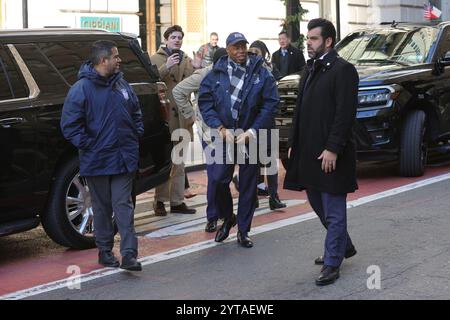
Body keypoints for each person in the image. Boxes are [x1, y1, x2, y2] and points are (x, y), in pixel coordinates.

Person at [283, 18, 359, 286]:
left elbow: (344, 114)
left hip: (331, 154)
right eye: (307, 39)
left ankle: (332, 262)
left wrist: (333, 148)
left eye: (313, 39)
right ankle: (343, 246)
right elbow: (300, 110)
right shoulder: (310, 69)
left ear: (328, 41)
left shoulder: (344, 70)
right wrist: (293, 142)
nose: (308, 43)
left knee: (334, 209)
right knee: (318, 204)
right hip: (308, 151)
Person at [60, 40, 143, 271]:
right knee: (102, 208)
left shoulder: (122, 84)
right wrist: (90, 145)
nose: (119, 60)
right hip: (97, 161)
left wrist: (136, 133)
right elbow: (69, 126)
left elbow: (136, 111)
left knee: (123, 206)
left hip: (124, 157)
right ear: (103, 60)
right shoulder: (81, 89)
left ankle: (129, 255)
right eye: (115, 56)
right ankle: (105, 251)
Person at [198, 32, 279, 248]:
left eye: (243, 46)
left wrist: (252, 131)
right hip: (224, 136)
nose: (241, 50)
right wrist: (219, 127)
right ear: (228, 49)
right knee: (217, 179)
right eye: (236, 47)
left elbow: (271, 104)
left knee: (248, 185)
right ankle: (228, 216)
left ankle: (243, 230)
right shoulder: (216, 73)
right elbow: (205, 102)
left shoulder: (261, 73)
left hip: (249, 137)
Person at [173, 48, 228, 233]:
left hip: (231, 132)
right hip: (210, 133)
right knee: (215, 175)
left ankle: (222, 211)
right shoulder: (204, 74)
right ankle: (212, 216)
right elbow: (178, 91)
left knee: (224, 174)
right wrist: (191, 115)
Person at [150, 25, 200, 216]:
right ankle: (160, 202)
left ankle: (177, 201)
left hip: (182, 118)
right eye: (173, 37)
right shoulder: (154, 59)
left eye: (179, 37)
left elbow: (192, 84)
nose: (177, 40)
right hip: (165, 118)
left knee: (179, 162)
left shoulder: (186, 59)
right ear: (166, 39)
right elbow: (151, 83)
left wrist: (196, 67)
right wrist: (166, 67)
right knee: (165, 162)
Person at [249, 40, 286, 210]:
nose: (254, 55)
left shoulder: (269, 68)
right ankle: (254, 196)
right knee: (254, 162)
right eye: (252, 51)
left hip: (268, 120)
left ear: (264, 53)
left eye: (257, 52)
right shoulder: (247, 69)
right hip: (252, 122)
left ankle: (274, 196)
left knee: (270, 160)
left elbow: (280, 83)